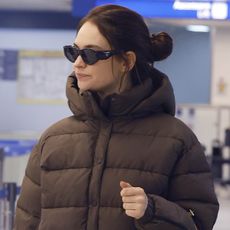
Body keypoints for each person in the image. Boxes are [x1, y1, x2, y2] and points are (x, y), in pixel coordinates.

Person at [14, 4, 219, 230]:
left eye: (90, 54)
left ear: (126, 61)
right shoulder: (53, 140)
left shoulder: (178, 140)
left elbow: (198, 221)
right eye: (73, 51)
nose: (77, 63)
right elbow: (27, 222)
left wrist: (152, 210)